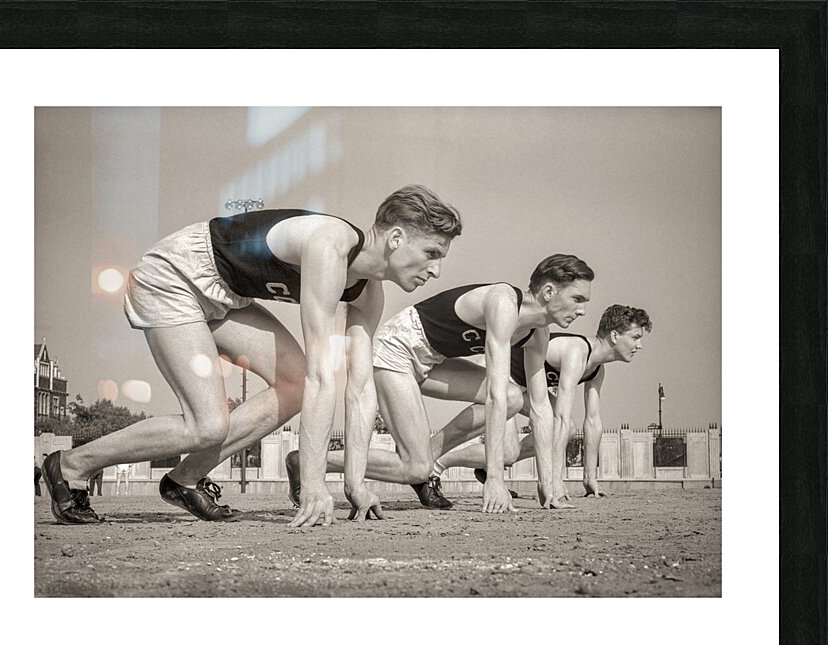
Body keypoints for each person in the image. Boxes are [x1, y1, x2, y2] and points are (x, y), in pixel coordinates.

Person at [40, 185, 462, 527]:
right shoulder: (330, 244)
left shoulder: (369, 293)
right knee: (207, 424)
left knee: (293, 384)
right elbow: (322, 376)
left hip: (227, 296)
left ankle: (185, 480)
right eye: (432, 254)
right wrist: (314, 483)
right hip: (176, 276)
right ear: (396, 238)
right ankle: (72, 465)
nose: (436, 271)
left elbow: (361, 387)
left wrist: (355, 483)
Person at [285, 254, 595, 513]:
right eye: (577, 299)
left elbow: (540, 407)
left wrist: (549, 484)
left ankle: (425, 463)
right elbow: (494, 395)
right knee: (416, 467)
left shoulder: (537, 333)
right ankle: (310, 462)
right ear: (549, 291)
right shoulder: (504, 302)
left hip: (432, 361)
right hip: (397, 350)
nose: (582, 310)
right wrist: (495, 479)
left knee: (516, 397)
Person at [442, 304, 652, 499]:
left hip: (526, 388)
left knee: (567, 430)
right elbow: (560, 416)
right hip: (501, 373)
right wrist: (555, 481)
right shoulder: (576, 352)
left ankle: (487, 465)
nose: (639, 345)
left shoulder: (596, 369)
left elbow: (593, 421)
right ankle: (440, 461)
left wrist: (590, 478)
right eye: (635, 337)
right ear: (614, 336)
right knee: (509, 452)